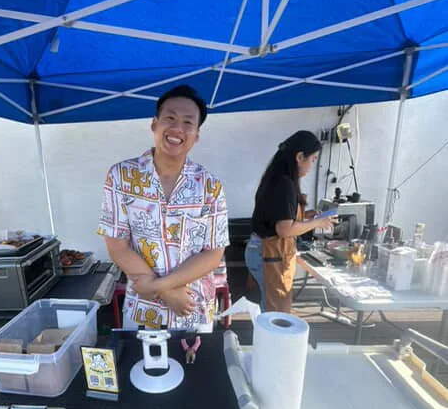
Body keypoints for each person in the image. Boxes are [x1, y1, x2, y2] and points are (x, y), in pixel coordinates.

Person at [97, 84, 229, 332]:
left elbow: (213, 254)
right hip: (143, 310)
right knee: (139, 368)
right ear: (154, 124)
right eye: (170, 118)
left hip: (192, 307)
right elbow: (117, 245)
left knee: (197, 369)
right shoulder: (122, 177)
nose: (178, 128)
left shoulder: (210, 186)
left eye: (188, 122)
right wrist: (167, 293)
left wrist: (157, 287)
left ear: (196, 135)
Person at [245, 130, 336, 313]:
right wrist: (317, 223)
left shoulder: (277, 179)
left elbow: (279, 216)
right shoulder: (284, 184)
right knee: (276, 313)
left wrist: (307, 216)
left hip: (262, 250)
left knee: (271, 309)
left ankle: (269, 340)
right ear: (300, 156)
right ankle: (271, 342)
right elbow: (285, 229)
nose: (311, 166)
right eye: (313, 159)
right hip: (270, 253)